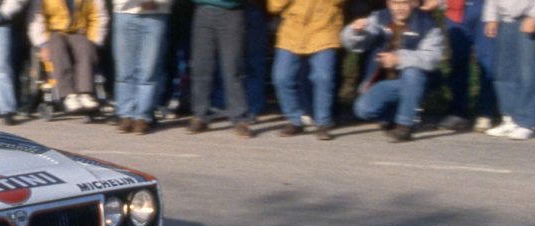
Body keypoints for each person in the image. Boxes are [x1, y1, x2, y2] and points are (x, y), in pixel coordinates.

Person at [344, 0, 444, 142]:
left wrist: (398, 59)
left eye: (404, 3)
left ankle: (404, 125)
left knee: (412, 72)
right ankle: (394, 116)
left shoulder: (427, 24)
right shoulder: (379, 18)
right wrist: (355, 31)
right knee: (363, 110)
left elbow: (433, 58)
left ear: (413, 3)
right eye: (395, 3)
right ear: (388, 4)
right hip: (386, 82)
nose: (399, 8)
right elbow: (356, 45)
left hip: (419, 81)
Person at [481, 0, 535, 140]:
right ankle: (509, 119)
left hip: (530, 19)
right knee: (504, 72)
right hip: (506, 20)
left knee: (529, 73)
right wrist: (491, 17)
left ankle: (528, 122)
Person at [269, 0, 344, 140]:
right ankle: (294, 120)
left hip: (324, 29)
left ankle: (323, 123)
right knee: (281, 77)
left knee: (323, 77)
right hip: (291, 31)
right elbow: (274, 6)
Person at [28, 0, 109, 114]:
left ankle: (85, 93)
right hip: (53, 33)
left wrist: (94, 42)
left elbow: (98, 16)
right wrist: (42, 45)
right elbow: (37, 21)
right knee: (57, 46)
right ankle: (68, 95)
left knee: (85, 45)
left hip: (77, 32)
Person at [187, 0, 254, 137]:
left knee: (233, 69)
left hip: (231, 11)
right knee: (201, 67)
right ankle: (200, 115)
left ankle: (240, 119)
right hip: (203, 10)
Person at [110, 0, 172, 134]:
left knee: (149, 70)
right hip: (125, 12)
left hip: (155, 13)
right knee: (124, 70)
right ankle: (125, 115)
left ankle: (142, 116)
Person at [439, 0, 498, 131]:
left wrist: (493, 15)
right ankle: (458, 112)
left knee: (487, 62)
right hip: (455, 11)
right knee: (457, 62)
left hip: (483, 9)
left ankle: (485, 112)